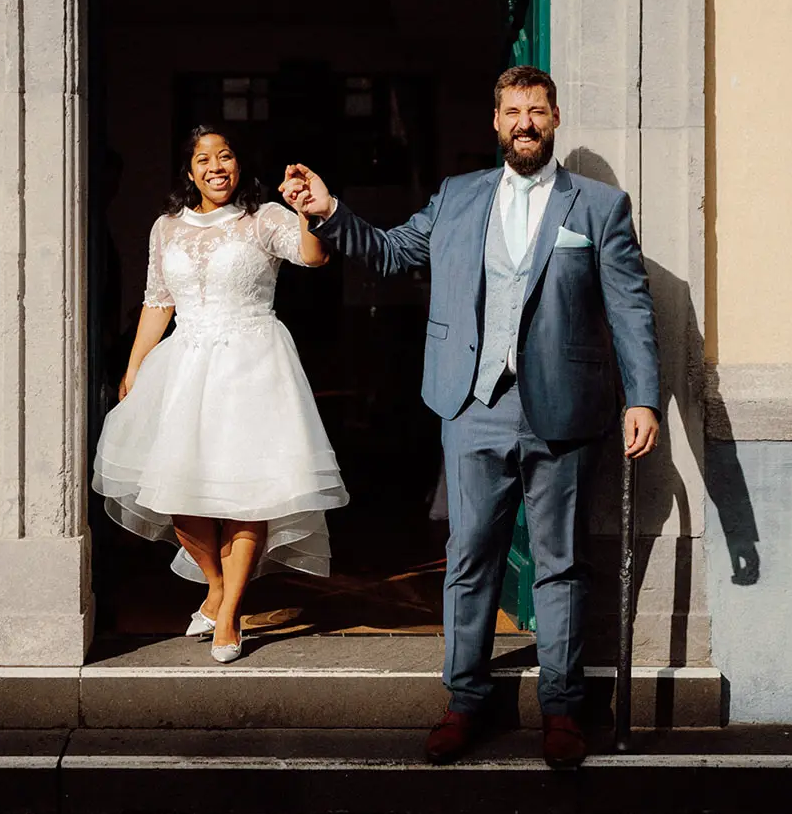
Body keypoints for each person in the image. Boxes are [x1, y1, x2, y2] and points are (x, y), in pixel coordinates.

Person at [282, 66, 660, 768]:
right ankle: (462, 702)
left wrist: (641, 395)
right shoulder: (458, 198)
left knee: (561, 564)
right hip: (472, 406)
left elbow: (630, 307)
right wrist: (330, 212)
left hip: (566, 410)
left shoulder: (599, 207)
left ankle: (561, 710)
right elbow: (393, 252)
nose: (524, 122)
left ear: (554, 119)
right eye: (513, 111)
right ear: (494, 121)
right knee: (468, 559)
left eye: (537, 111)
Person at [93, 125, 347, 662]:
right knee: (178, 496)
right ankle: (214, 585)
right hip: (183, 368)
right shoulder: (166, 228)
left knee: (247, 493)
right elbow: (157, 301)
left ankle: (229, 610)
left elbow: (313, 257)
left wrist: (306, 210)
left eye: (225, 155)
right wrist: (136, 366)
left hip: (253, 365)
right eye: (204, 158)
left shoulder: (264, 218)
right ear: (189, 172)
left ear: (238, 164)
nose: (216, 166)